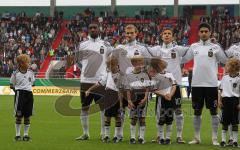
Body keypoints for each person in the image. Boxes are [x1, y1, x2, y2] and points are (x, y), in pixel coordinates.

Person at [182, 22, 228, 145]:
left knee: (214, 112)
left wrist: (217, 44)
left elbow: (224, 60)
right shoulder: (194, 46)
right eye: (201, 31)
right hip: (196, 84)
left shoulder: (215, 47)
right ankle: (197, 138)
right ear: (198, 33)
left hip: (211, 84)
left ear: (210, 32)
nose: (203, 33)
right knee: (197, 112)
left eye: (206, 31)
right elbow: (184, 59)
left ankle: (214, 138)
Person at [150, 27, 188, 143]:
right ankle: (159, 134)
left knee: (178, 111)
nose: (167, 35)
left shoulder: (177, 49)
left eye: (169, 33)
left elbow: (191, 50)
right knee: (159, 111)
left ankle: (179, 135)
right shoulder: (156, 50)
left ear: (172, 36)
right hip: (161, 87)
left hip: (175, 85)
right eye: (165, 33)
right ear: (161, 36)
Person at [75, 23, 113, 140]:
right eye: (90, 28)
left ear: (99, 29)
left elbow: (110, 62)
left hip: (100, 81)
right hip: (85, 80)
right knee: (84, 107)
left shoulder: (106, 45)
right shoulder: (82, 45)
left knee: (103, 108)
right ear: (88, 30)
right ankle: (86, 133)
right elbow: (78, 61)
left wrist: (104, 74)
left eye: (94, 28)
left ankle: (103, 133)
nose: (92, 29)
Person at [85, 56, 124, 143]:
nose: (108, 67)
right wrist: (89, 89)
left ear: (116, 65)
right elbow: (100, 82)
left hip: (117, 96)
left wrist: (121, 103)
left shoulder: (121, 75)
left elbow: (121, 90)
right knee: (107, 117)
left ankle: (118, 136)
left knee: (117, 117)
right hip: (108, 96)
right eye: (108, 65)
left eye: (110, 65)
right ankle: (107, 136)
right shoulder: (108, 73)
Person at [125, 55, 150, 144]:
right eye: (136, 62)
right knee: (133, 118)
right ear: (133, 63)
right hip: (133, 97)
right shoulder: (129, 75)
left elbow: (147, 88)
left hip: (142, 97)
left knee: (142, 118)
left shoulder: (145, 75)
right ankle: (132, 137)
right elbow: (128, 90)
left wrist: (145, 98)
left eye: (140, 62)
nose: (138, 64)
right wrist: (129, 100)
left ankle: (141, 138)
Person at [10, 54, 35, 141]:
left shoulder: (31, 73)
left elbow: (32, 84)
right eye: (27, 62)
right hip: (19, 95)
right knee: (19, 115)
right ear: (22, 63)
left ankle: (26, 135)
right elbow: (11, 85)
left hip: (29, 95)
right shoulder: (15, 73)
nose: (29, 63)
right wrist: (18, 92)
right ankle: (17, 135)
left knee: (27, 116)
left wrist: (26, 89)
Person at [218, 58, 240, 147]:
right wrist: (219, 100)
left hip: (235, 101)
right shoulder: (224, 78)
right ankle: (223, 141)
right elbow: (220, 90)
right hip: (225, 101)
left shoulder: (239, 79)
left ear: (233, 67)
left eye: (228, 65)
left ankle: (235, 141)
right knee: (225, 122)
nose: (226, 67)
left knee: (235, 122)